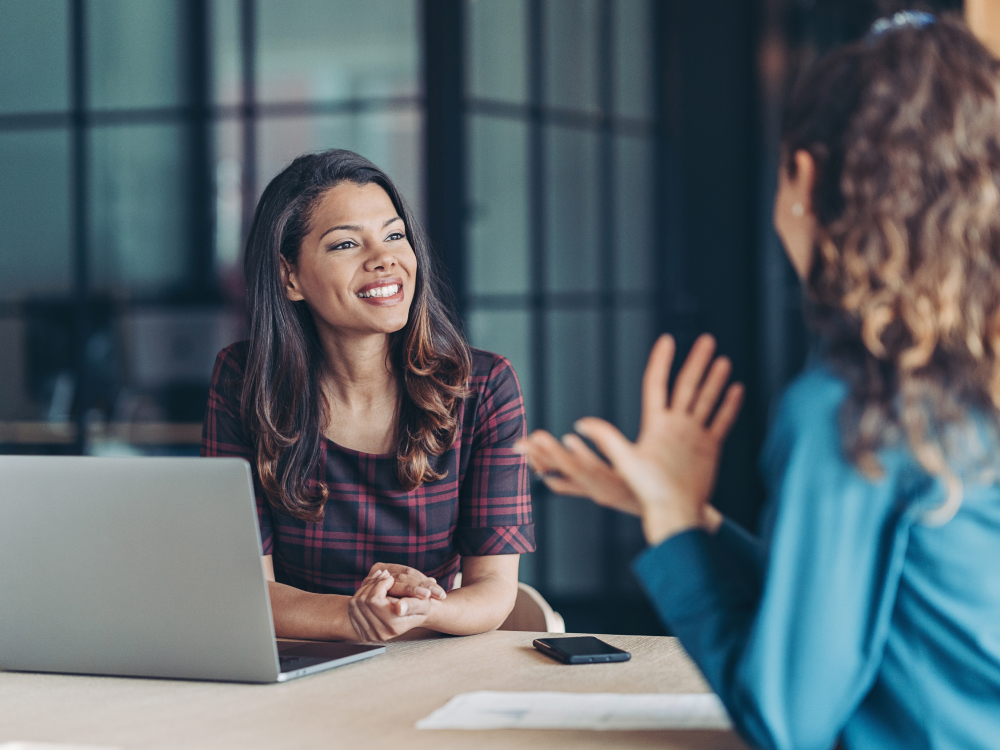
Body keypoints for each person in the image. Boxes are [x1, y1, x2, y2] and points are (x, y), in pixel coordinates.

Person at [516, 12, 1000, 750]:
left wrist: (675, 525)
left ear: (802, 176)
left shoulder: (854, 407)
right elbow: (868, 601)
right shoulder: (967, 380)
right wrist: (687, 518)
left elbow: (786, 720)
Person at [202, 149, 534, 643]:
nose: (385, 259)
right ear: (289, 276)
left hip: (429, 657)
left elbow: (493, 588)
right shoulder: (243, 382)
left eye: (395, 235)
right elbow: (246, 588)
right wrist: (354, 616)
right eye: (345, 245)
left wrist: (417, 607)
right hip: (299, 663)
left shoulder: (483, 386)